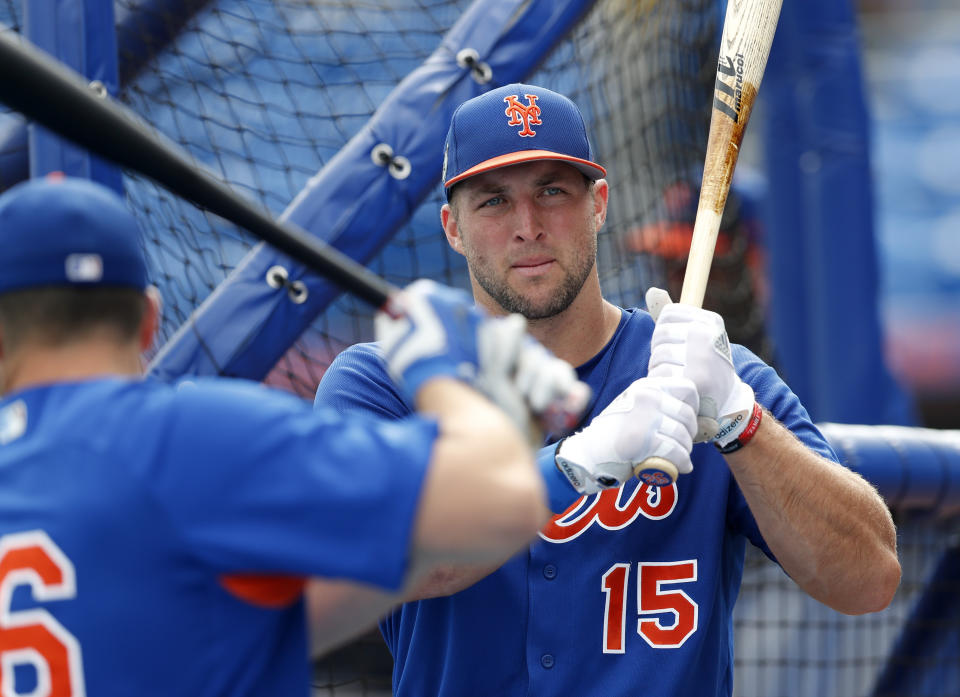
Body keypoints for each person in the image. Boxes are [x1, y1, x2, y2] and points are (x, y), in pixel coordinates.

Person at [313, 83, 902, 696]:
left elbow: (868, 580)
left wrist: (739, 421)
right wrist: (578, 464)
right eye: (492, 202)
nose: (528, 227)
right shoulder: (387, 382)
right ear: (452, 228)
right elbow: (376, 563)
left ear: (598, 204)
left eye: (552, 192)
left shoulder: (706, 370)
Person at [0, 175, 625, 696]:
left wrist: (510, 419)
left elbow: (277, 620)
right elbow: (500, 504)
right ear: (147, 321)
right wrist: (444, 370)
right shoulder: (189, 438)